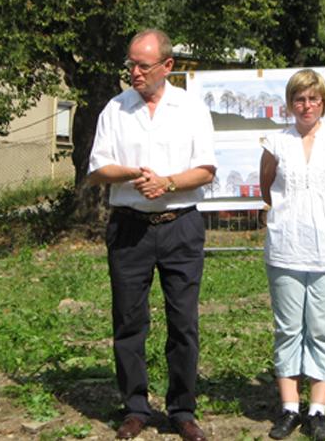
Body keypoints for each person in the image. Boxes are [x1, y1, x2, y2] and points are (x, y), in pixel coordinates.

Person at [88, 29, 217, 441]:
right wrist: (132, 173)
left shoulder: (191, 108)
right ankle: (135, 408)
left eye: (143, 65)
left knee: (183, 322)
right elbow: (99, 168)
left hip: (180, 226)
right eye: (130, 64)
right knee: (128, 321)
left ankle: (182, 409)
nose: (134, 72)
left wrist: (168, 183)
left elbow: (206, 170)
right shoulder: (115, 108)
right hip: (130, 227)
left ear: (168, 66)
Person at [259, 69, 325, 440]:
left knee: (323, 330)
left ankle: (318, 409)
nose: (307, 105)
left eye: (314, 99)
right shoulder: (276, 143)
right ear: (290, 104)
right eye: (300, 99)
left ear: (323, 102)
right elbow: (267, 189)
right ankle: (290, 408)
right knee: (288, 329)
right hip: (287, 250)